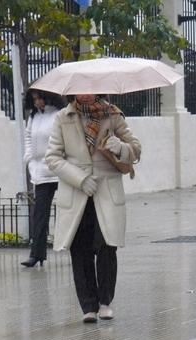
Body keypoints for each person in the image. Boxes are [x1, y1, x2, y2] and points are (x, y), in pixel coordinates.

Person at [45, 94, 141, 323]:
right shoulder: (63, 117)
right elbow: (53, 158)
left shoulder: (113, 115)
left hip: (106, 190)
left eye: (90, 89)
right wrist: (79, 179)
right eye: (80, 89)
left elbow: (135, 149)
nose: (85, 94)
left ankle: (105, 301)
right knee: (80, 249)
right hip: (77, 192)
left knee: (107, 245)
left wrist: (120, 148)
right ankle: (88, 306)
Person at [21, 89, 66, 268]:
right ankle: (36, 254)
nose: (38, 102)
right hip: (40, 173)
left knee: (66, 212)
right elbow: (28, 138)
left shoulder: (58, 115)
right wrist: (29, 159)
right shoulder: (33, 117)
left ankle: (73, 247)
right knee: (39, 214)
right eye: (34, 99)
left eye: (40, 98)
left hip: (59, 170)